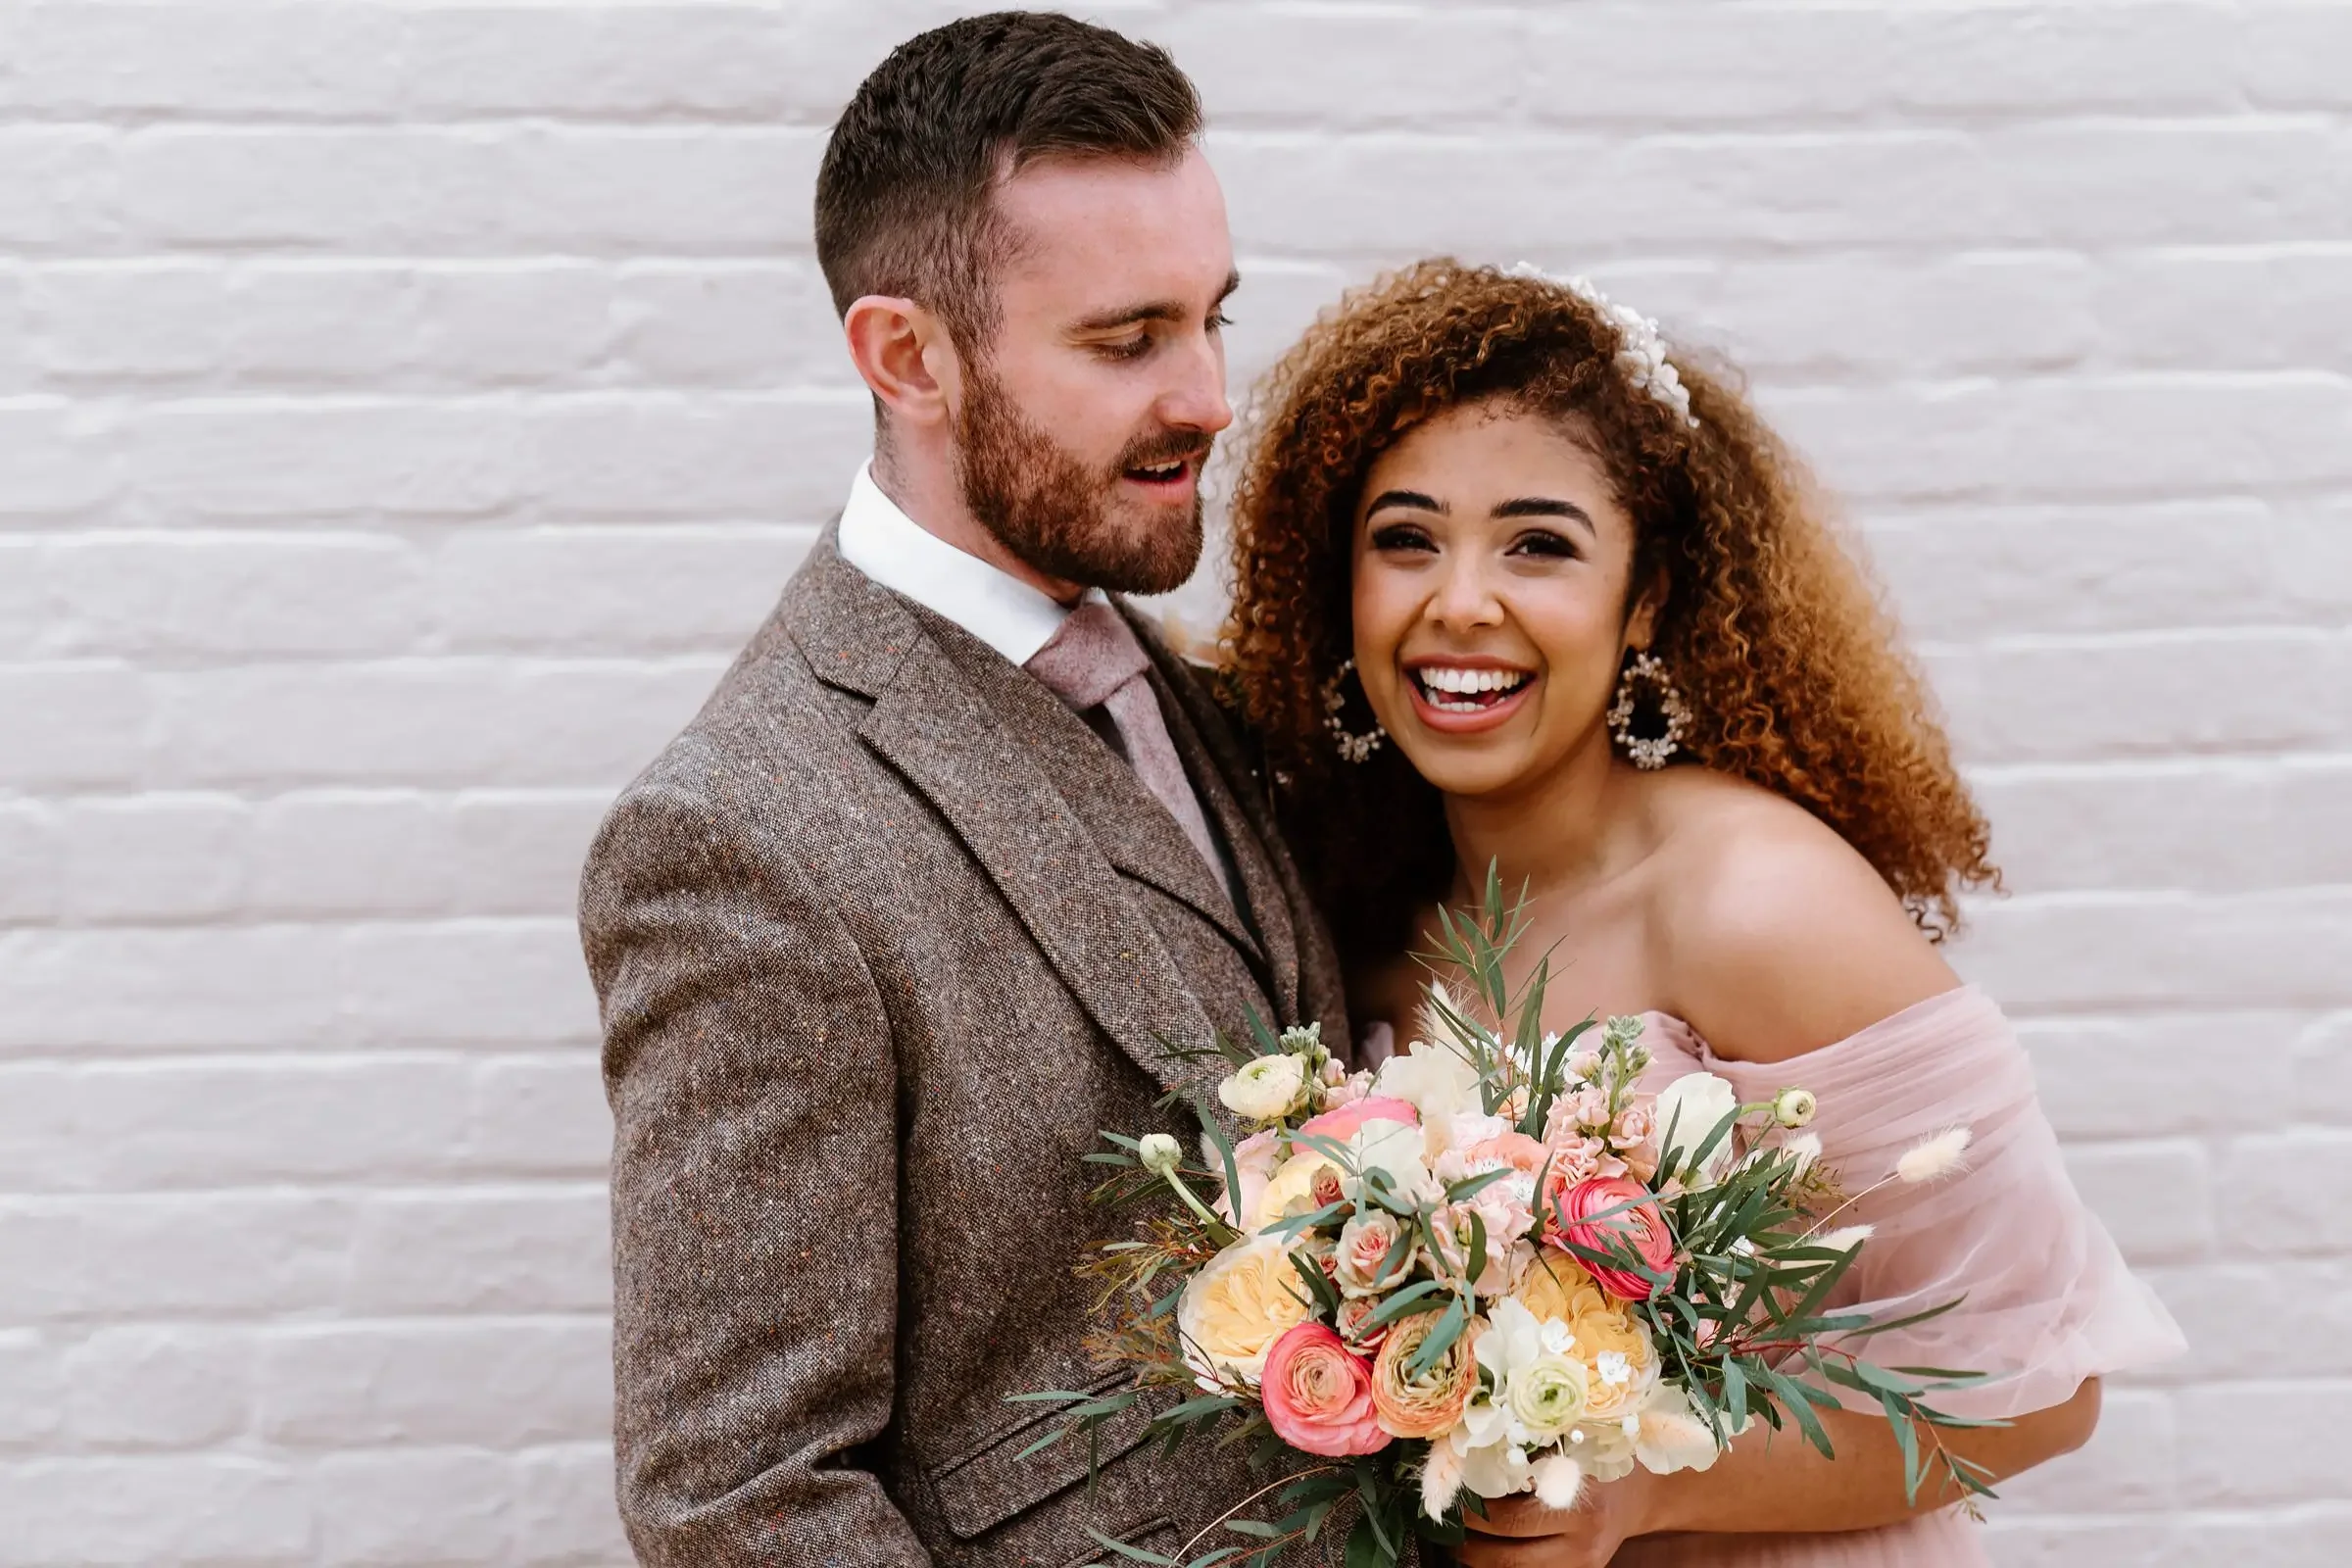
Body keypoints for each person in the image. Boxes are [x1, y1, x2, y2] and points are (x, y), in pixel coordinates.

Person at [1218, 260, 2184, 1566]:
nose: (1459, 602)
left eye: (1539, 545)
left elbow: (2043, 1392)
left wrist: (1651, 1494)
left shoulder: (1757, 905)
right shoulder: (1360, 921)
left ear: (1649, 598)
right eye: (1406, 539)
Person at [577, 15, 1348, 1565]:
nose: (1206, 396)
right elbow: (740, 1501)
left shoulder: (1197, 699)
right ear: (907, 357)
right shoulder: (736, 839)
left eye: (1214, 319)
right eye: (1128, 341)